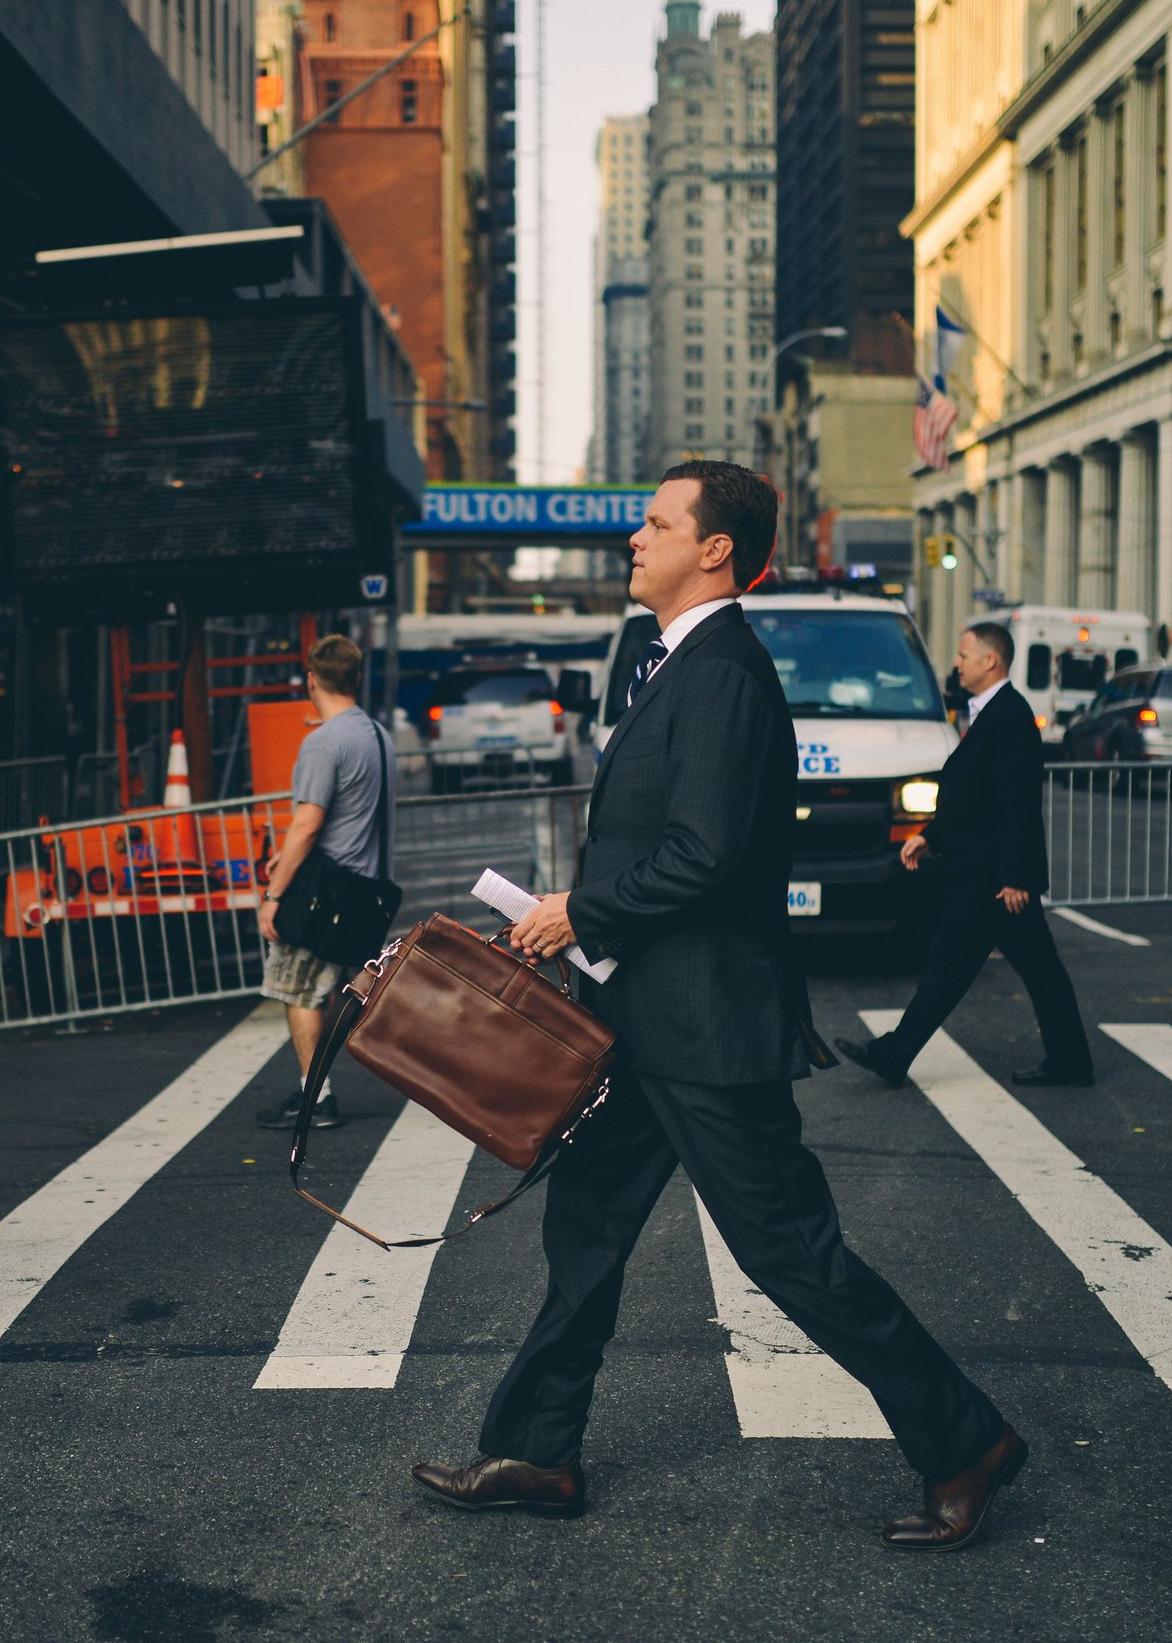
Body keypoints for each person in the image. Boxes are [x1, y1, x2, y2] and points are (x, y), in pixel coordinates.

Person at [409, 461, 1026, 1552]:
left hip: (704, 1029)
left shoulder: (725, 675)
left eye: (654, 523)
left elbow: (704, 857)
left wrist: (573, 911)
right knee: (586, 1229)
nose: (632, 539)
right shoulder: (673, 666)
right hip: (643, 1021)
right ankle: (539, 1451)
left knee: (791, 1252)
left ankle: (964, 1438)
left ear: (716, 550)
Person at [837, 622, 1093, 1090]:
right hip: (988, 872)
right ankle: (1070, 1060)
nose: (956, 663)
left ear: (989, 661)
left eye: (962, 655)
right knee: (1014, 969)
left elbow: (1017, 802)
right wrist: (930, 836)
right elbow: (979, 799)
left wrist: (1017, 876)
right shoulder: (992, 713)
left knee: (952, 966)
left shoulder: (1009, 716)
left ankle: (896, 1053)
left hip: (991, 879)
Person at [254, 634, 397, 1133]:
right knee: (332, 990)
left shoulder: (323, 742)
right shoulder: (378, 736)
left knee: (298, 992)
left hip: (326, 895)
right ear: (356, 678)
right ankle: (317, 1087)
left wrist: (273, 896)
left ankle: (318, 1097)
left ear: (311, 679)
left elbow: (307, 825)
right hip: (367, 889)